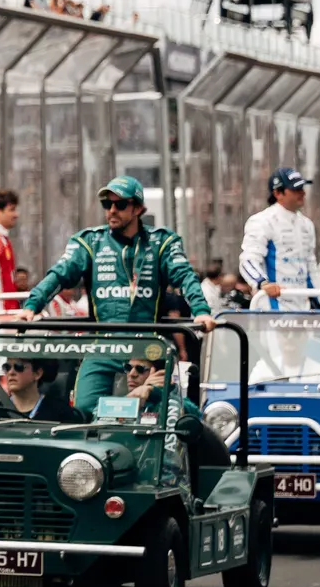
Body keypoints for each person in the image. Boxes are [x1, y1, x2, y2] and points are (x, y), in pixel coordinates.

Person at [22, 175, 212, 412]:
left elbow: (184, 275)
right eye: (107, 204)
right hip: (104, 345)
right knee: (83, 410)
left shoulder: (162, 241)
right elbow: (60, 274)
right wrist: (32, 305)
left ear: (138, 209)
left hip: (148, 347)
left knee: (175, 411)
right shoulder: (90, 241)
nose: (112, 210)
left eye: (120, 205)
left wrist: (201, 311)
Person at [238, 167, 320, 311]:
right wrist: (263, 283)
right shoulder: (261, 221)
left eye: (302, 188)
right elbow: (248, 260)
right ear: (278, 193)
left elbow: (311, 266)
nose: (302, 193)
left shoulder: (307, 224)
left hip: (304, 308)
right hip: (273, 309)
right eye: (296, 190)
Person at [0, 346, 75, 425]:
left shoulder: (60, 412)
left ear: (37, 374)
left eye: (19, 367)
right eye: (7, 367)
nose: (11, 372)